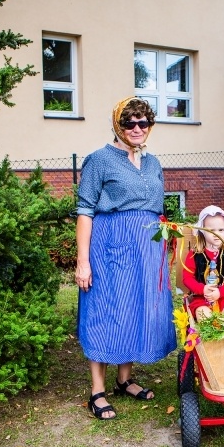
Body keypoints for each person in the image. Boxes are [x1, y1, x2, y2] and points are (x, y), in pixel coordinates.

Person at [76, 97, 176, 420]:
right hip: (110, 247)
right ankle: (97, 391)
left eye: (142, 122)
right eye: (129, 122)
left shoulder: (154, 163)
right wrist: (83, 260)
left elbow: (158, 211)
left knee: (134, 308)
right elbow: (85, 211)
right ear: (117, 125)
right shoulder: (100, 161)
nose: (136, 128)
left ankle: (124, 380)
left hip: (145, 251)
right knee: (105, 310)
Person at [183, 206, 224, 320]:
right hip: (202, 297)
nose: (216, 234)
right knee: (204, 316)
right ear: (202, 231)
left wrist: (220, 292)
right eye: (211, 230)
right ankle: (210, 337)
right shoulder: (194, 255)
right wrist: (203, 289)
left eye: (221, 230)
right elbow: (187, 278)